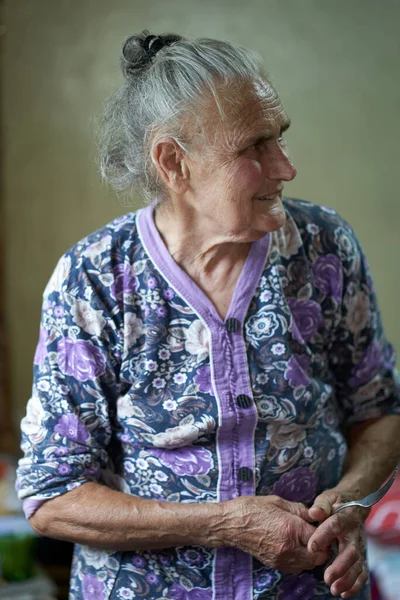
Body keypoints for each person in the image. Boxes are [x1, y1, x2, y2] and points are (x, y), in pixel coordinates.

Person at [16, 31, 400, 600]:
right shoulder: (95, 278)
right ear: (174, 162)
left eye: (282, 138)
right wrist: (226, 523)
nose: (286, 167)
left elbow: (379, 410)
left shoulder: (323, 247)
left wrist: (349, 502)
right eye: (255, 146)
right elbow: (52, 496)